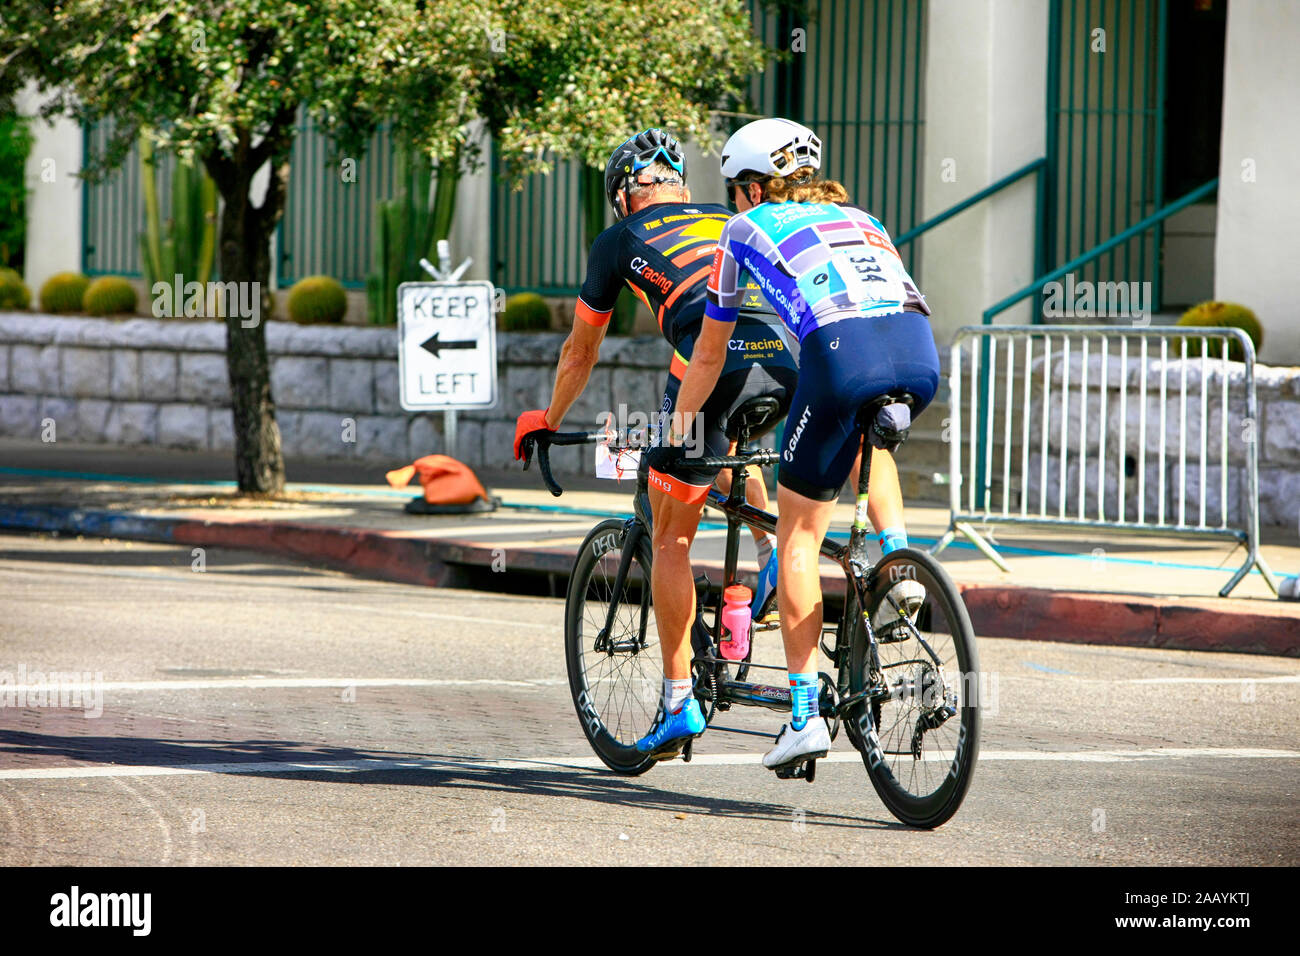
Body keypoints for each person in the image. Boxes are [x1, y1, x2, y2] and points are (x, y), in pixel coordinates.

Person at [660, 117, 940, 772]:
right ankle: (896, 562)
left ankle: (804, 716)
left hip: (842, 357)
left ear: (754, 188)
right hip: (919, 356)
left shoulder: (743, 229)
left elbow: (708, 352)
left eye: (735, 187)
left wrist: (679, 433)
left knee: (797, 540)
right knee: (858, 449)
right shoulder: (863, 217)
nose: (732, 200)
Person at [513, 128, 799, 756]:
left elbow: (581, 348)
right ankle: (764, 557)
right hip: (788, 360)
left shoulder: (619, 241)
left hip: (716, 360)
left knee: (671, 533)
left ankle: (677, 701)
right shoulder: (730, 216)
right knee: (719, 438)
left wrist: (550, 417)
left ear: (623, 194)